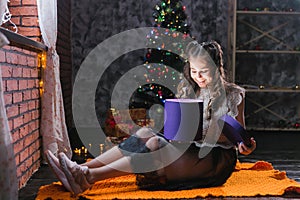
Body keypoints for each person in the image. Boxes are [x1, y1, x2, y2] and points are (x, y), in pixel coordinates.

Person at [45, 40, 256, 195]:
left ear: (216, 68)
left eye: (204, 72)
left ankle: (88, 178)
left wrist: (244, 145)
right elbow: (180, 128)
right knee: (146, 132)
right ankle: (82, 169)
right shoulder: (189, 89)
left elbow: (239, 135)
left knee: (155, 142)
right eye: (193, 71)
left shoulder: (234, 94)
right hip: (191, 148)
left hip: (215, 159)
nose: (198, 77)